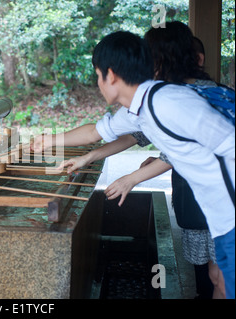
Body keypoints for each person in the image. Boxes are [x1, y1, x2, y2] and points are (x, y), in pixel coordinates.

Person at [32, 31, 235, 299]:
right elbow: (95, 132)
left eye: (97, 75)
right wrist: (47, 141)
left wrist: (135, 176)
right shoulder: (141, 106)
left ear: (111, 75)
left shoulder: (169, 102)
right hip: (221, 218)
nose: (97, 83)